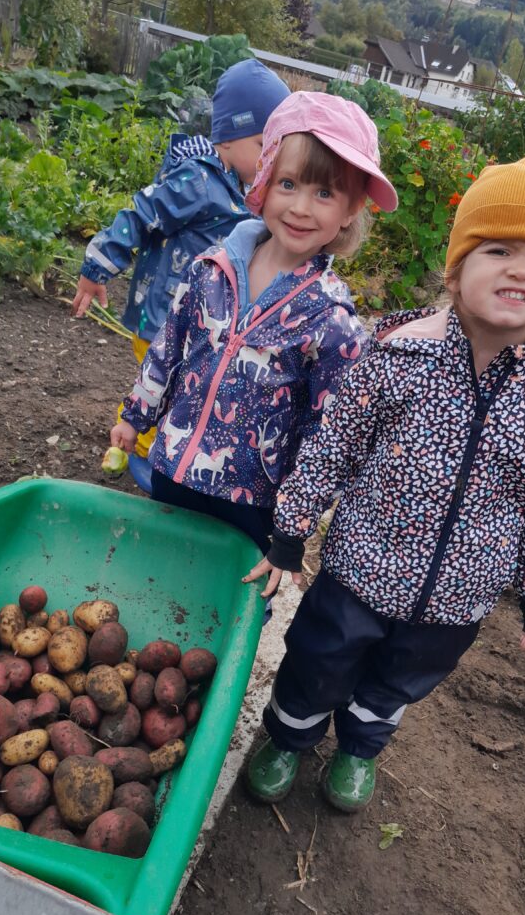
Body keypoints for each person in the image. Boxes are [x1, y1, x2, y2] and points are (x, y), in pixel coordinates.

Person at [243, 158, 525, 812]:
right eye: (498, 250)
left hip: (457, 600)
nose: (522, 270)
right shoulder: (401, 360)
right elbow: (334, 449)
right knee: (316, 663)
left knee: (397, 684)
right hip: (360, 571)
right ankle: (288, 740)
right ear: (457, 270)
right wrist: (289, 532)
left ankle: (357, 752)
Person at [108, 91, 398, 565]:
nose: (302, 207)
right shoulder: (210, 269)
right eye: (288, 184)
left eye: (325, 193)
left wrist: (294, 525)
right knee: (156, 570)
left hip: (252, 500)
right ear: (263, 181)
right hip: (172, 464)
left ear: (351, 209)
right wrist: (135, 416)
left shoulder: (333, 322)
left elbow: (328, 430)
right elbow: (167, 349)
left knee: (225, 597)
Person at [72, 58, 290, 493]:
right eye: (264, 145)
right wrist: (98, 267)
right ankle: (143, 461)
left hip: (199, 320)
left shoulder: (236, 188)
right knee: (162, 386)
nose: (272, 159)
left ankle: (153, 448)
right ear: (230, 137)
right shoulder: (197, 180)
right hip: (163, 316)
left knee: (178, 386)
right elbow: (141, 212)